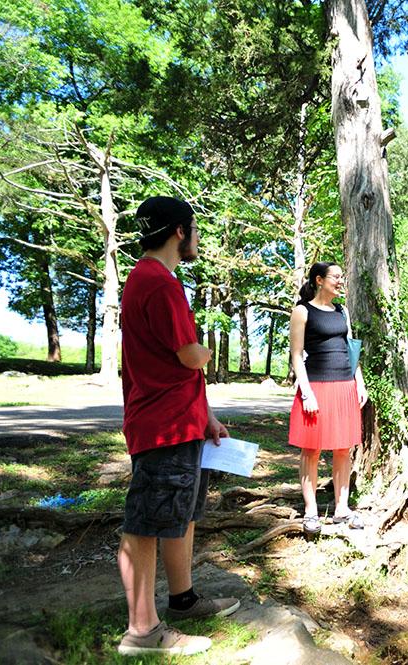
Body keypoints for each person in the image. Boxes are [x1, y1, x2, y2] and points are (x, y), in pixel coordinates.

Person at [117, 196, 240, 657]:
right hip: (163, 428)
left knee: (179, 516)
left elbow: (174, 367)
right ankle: (142, 631)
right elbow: (189, 356)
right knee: (145, 525)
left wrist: (204, 415)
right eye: (194, 229)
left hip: (181, 423)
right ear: (179, 232)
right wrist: (206, 351)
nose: (196, 238)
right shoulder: (159, 283)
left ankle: (183, 600)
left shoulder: (149, 279)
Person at [288, 262, 368, 536]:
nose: (341, 281)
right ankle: (310, 512)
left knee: (344, 448)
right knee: (311, 450)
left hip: (344, 384)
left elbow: (349, 347)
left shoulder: (341, 311)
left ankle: (341, 509)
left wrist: (359, 381)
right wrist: (306, 392)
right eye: (336, 277)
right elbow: (297, 355)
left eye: (341, 276)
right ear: (319, 280)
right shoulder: (302, 311)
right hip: (316, 387)